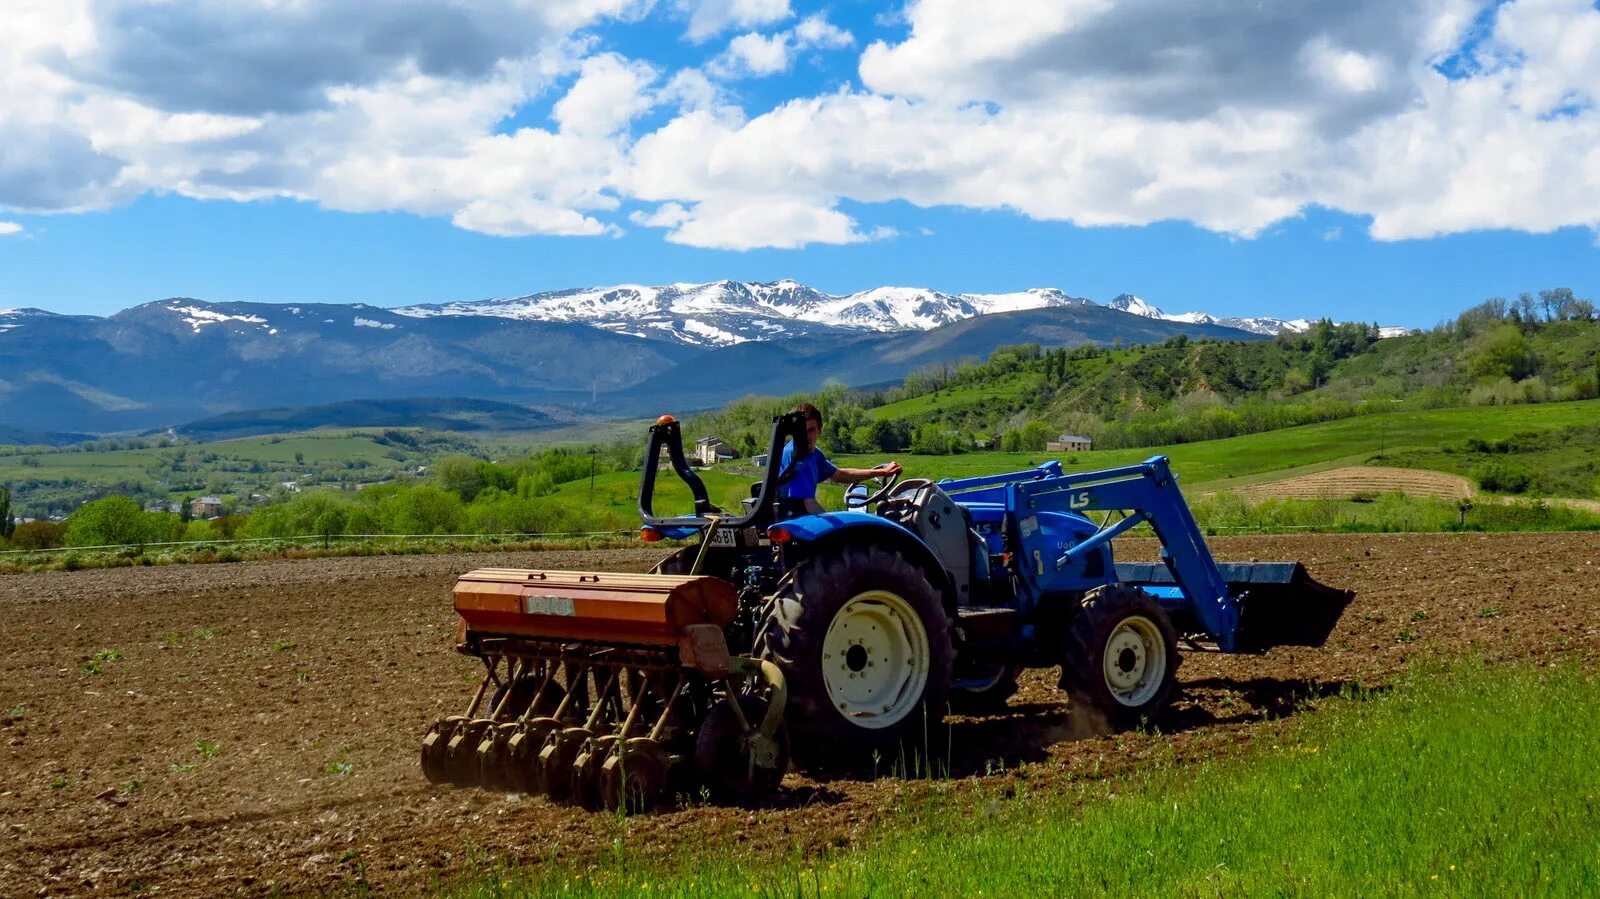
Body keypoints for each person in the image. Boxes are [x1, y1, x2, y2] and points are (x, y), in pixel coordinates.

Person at [780, 402, 902, 516]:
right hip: (793, 521)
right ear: (794, 432)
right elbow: (809, 505)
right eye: (801, 431)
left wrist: (881, 472)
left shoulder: (813, 454)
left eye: (811, 430)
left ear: (819, 430)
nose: (806, 436)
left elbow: (839, 475)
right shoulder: (798, 457)